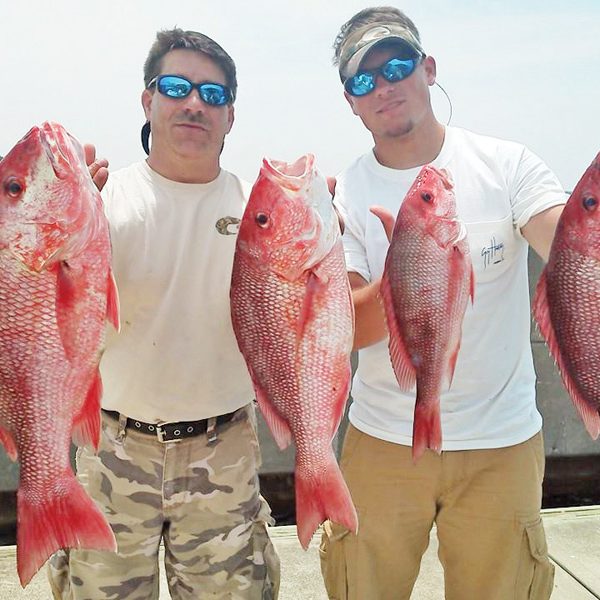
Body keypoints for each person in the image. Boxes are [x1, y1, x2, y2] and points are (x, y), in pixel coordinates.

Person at [319, 7, 566, 600]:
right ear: (350, 101)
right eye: (363, 79)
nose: (384, 85)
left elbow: (567, 244)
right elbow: (348, 329)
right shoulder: (346, 192)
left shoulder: (506, 166)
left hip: (501, 443)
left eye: (397, 64)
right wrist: (405, 264)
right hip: (382, 439)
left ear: (428, 69)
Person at [48, 28, 280, 600]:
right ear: (148, 101)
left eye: (213, 93)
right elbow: (34, 294)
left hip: (222, 450)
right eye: (175, 87)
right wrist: (41, 213)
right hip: (111, 448)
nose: (194, 103)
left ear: (231, 116)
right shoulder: (100, 203)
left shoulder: (261, 214)